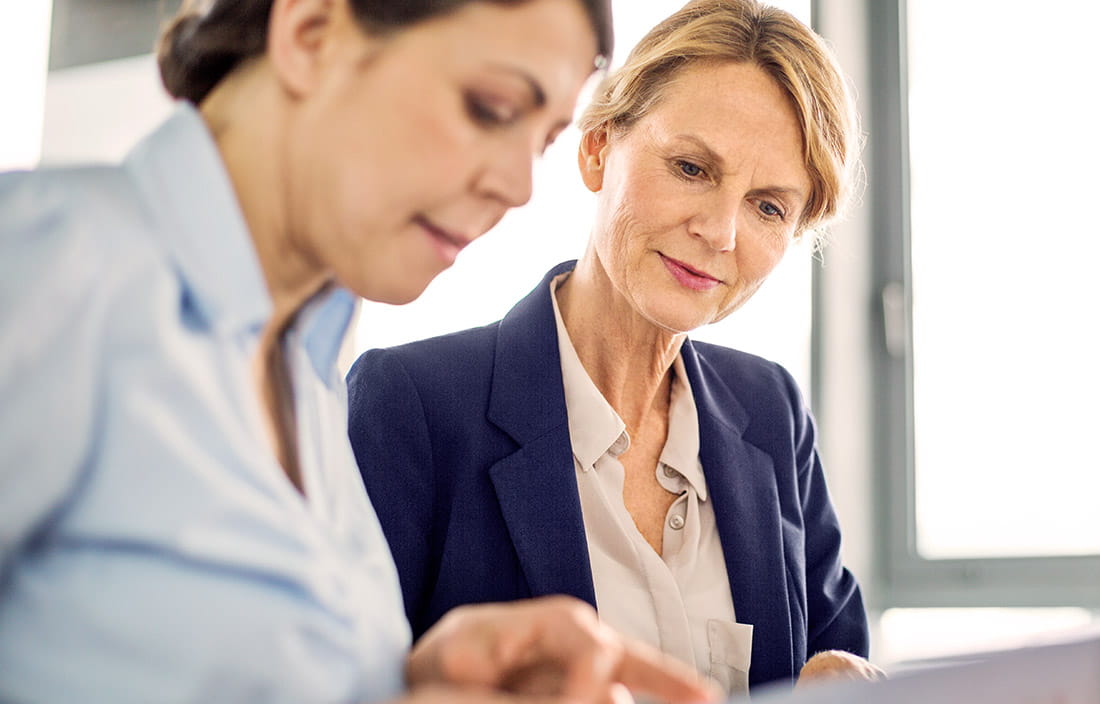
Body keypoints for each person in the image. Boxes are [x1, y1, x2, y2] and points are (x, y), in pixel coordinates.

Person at [0, 1, 720, 703]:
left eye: (541, 142)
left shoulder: (304, 372)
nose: (518, 186)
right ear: (311, 33)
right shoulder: (47, 264)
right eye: (490, 108)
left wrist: (410, 677)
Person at [347, 0, 884, 697]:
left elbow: (836, 654)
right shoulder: (409, 404)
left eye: (769, 206)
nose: (720, 231)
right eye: (692, 168)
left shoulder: (773, 412)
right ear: (598, 147)